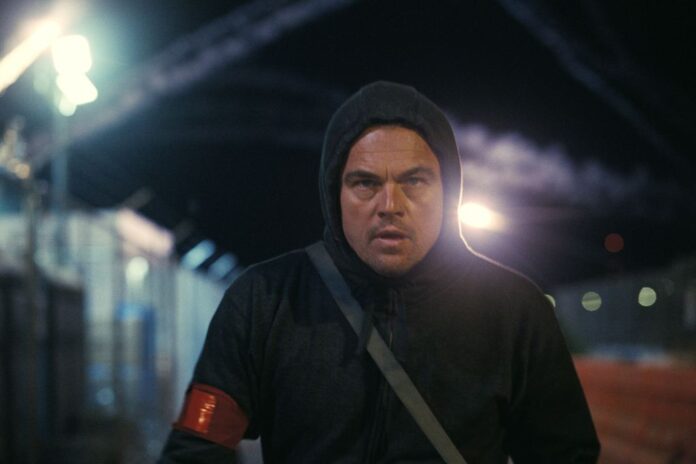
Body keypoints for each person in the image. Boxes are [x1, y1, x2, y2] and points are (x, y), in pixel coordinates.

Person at [159, 81, 600, 463]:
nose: (390, 205)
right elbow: (198, 445)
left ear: (448, 191)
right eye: (366, 183)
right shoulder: (265, 300)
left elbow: (564, 455)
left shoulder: (514, 310)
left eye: (414, 181)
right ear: (334, 193)